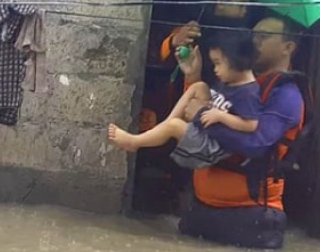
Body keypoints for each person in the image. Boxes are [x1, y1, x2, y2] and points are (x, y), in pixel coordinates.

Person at [177, 16, 307, 249]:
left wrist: (202, 116)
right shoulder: (236, 82)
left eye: (263, 36)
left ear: (288, 47)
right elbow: (194, 119)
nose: (254, 41)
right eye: (252, 35)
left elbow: (255, 145)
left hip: (250, 217)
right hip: (200, 207)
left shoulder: (286, 95)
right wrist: (192, 77)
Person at [109, 33, 261, 169]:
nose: (215, 70)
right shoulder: (230, 81)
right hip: (207, 127)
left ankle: (134, 142)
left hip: (212, 147)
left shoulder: (248, 93)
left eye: (218, 63)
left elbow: (251, 125)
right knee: (199, 86)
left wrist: (220, 116)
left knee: (174, 126)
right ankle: (164, 126)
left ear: (236, 61)